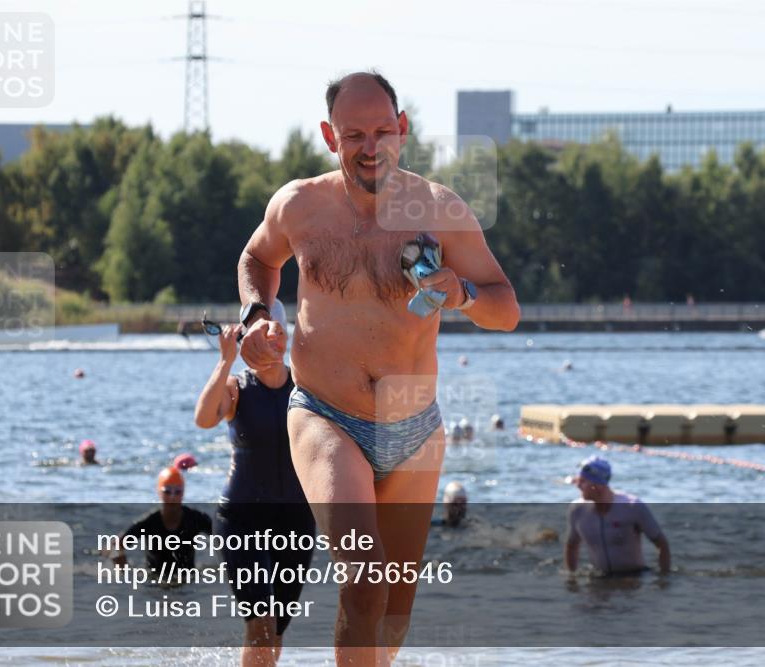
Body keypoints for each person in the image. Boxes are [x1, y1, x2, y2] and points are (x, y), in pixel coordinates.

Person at [237, 71, 519, 664]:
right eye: (354, 135)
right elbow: (259, 258)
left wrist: (463, 291)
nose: (371, 148)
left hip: (415, 424)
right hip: (325, 415)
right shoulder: (300, 205)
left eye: (382, 132)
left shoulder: (440, 210)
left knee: (393, 612)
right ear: (328, 136)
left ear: (403, 130)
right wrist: (257, 315)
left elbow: (506, 308)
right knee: (364, 587)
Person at [194, 301, 315, 667]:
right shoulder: (236, 387)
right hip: (242, 520)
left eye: (273, 328)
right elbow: (203, 419)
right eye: (257, 329)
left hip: (296, 522)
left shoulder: (307, 386)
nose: (268, 335)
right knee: (261, 624)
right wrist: (224, 361)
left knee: (275, 632)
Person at [565, 456, 670, 577]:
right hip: (599, 581)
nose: (577, 485)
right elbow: (572, 546)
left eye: (583, 481)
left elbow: (662, 544)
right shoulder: (577, 510)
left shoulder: (632, 506)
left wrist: (663, 580)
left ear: (597, 485)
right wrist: (571, 581)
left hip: (634, 579)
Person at [112, 466, 213, 577]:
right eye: (167, 491)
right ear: (159, 492)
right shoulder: (149, 522)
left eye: (177, 491)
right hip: (155, 583)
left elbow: (224, 537)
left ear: (183, 493)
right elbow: (116, 545)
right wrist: (124, 572)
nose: (172, 497)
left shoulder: (195, 518)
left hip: (187, 581)